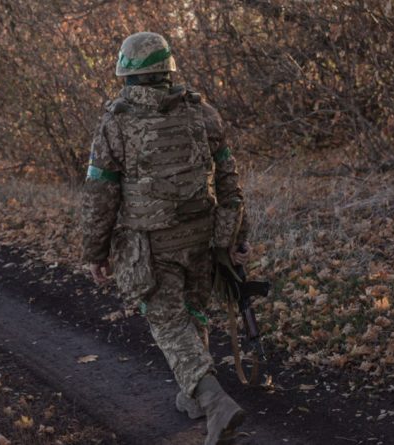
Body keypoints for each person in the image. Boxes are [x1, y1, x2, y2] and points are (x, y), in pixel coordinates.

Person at [80, 32, 251, 445]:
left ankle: (214, 402)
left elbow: (100, 193)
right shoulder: (200, 111)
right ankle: (192, 397)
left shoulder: (116, 121)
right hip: (203, 235)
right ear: (168, 68)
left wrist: (95, 251)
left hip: (152, 244)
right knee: (194, 310)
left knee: (168, 322)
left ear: (127, 73)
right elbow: (228, 178)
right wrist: (235, 235)